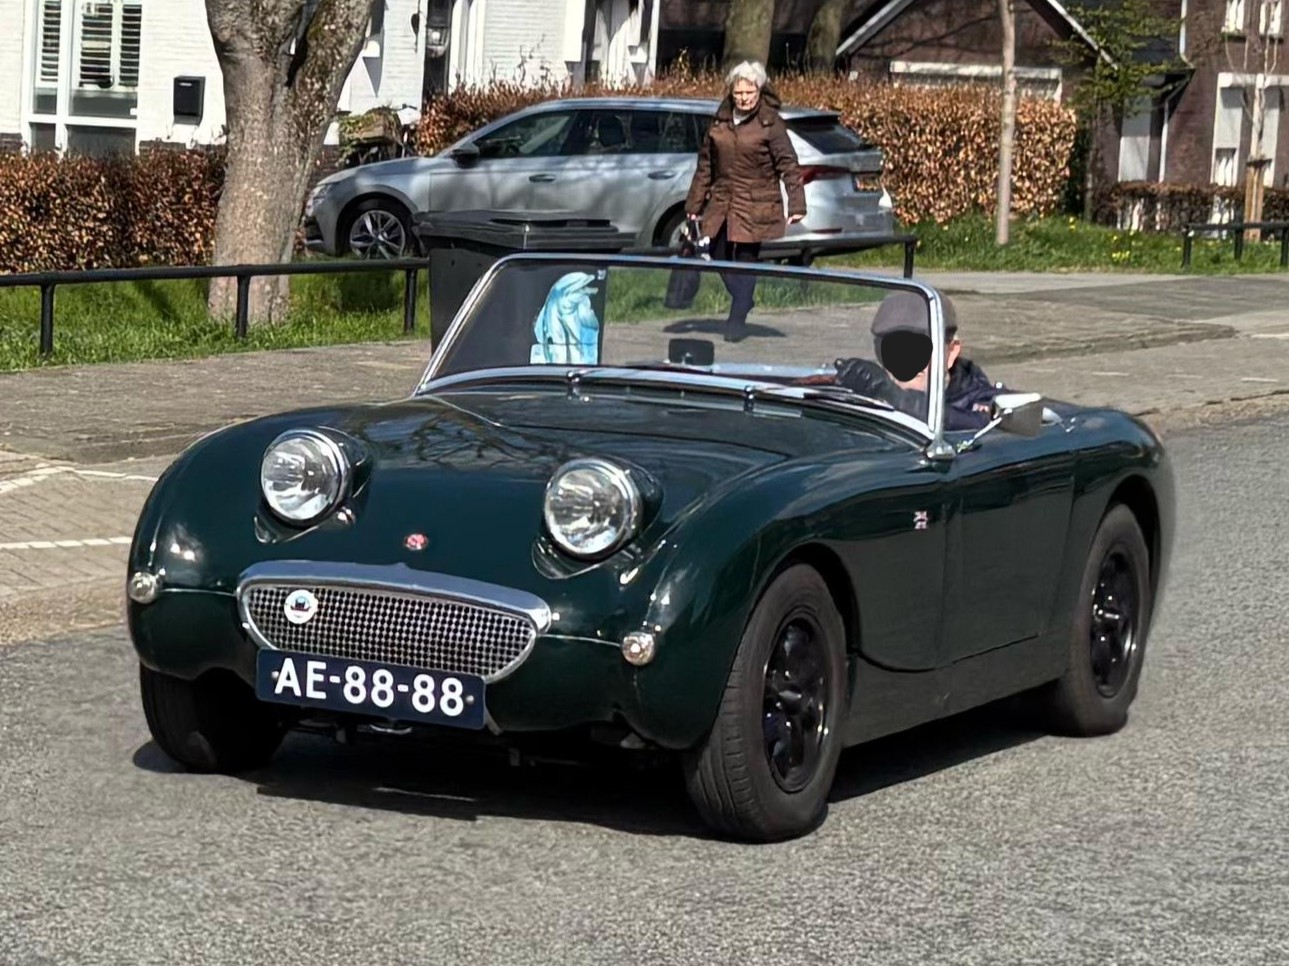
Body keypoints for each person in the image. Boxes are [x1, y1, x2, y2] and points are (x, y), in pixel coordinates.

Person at [683, 60, 806, 342]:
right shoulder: (720, 119)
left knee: (747, 260)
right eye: (739, 93)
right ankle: (743, 297)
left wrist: (796, 204)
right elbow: (706, 165)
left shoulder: (770, 122)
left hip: (757, 200)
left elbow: (788, 164)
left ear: (759, 91)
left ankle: (736, 319)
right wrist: (694, 206)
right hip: (723, 199)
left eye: (749, 92)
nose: (744, 98)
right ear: (731, 91)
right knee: (716, 251)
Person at [834, 291, 1005, 431]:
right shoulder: (865, 392)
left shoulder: (978, 399)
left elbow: (986, 424)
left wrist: (894, 396)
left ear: (951, 352)